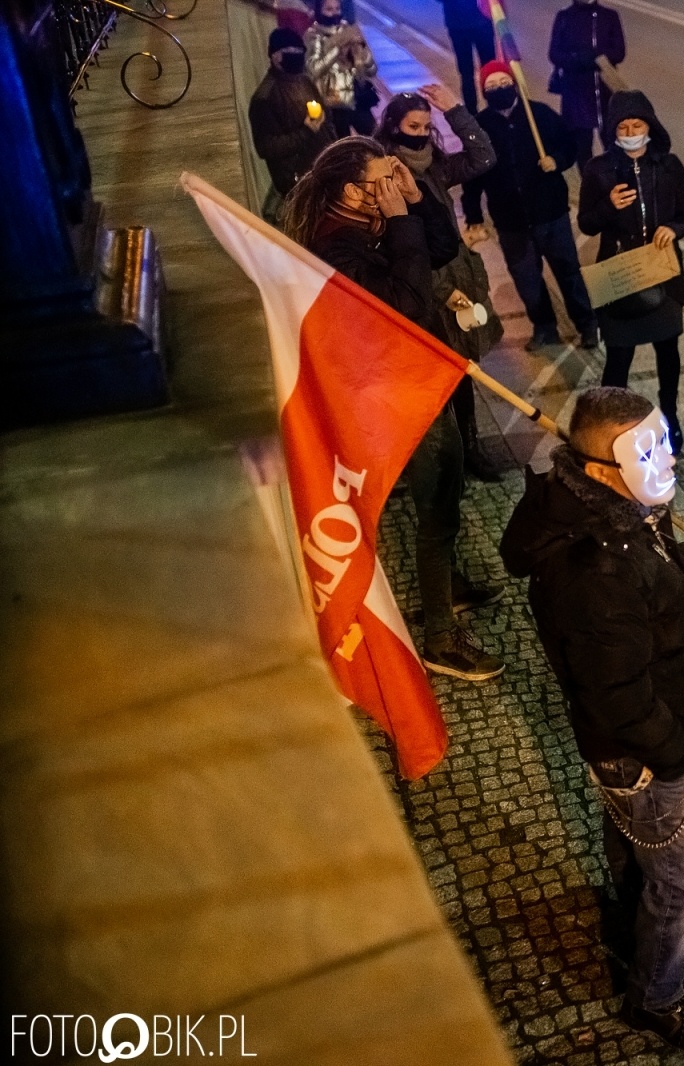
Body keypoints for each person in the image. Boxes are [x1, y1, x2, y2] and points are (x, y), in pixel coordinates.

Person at [500, 387, 684, 1053]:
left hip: (650, 740)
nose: (667, 457)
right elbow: (616, 689)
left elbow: (652, 590)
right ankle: (656, 998)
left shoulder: (623, 511)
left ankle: (658, 944)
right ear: (603, 469)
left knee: (641, 857)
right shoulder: (593, 564)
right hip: (640, 753)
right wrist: (671, 757)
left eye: (664, 438)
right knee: (683, 882)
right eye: (647, 449)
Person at [282, 137, 505, 683]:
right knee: (437, 507)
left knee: (446, 495)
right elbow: (405, 303)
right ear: (352, 192)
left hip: (417, 378)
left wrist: (417, 201)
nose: (389, 187)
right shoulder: (335, 248)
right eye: (381, 179)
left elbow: (442, 250)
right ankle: (439, 637)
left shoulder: (368, 225)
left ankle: (446, 587)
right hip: (393, 392)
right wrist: (401, 218)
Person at [376, 84, 505, 481]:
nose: (419, 132)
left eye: (425, 125)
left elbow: (484, 156)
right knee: (432, 381)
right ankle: (437, 457)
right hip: (427, 293)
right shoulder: (385, 173)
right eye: (412, 125)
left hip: (458, 279)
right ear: (394, 126)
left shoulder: (434, 166)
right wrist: (441, 291)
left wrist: (455, 111)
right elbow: (399, 247)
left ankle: (469, 448)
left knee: (464, 371)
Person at [578, 91, 684, 450]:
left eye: (637, 124)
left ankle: (670, 417)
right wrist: (609, 207)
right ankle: (612, 425)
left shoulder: (669, 165)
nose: (631, 131)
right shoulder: (598, 169)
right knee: (618, 355)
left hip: (662, 271)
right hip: (620, 273)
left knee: (668, 352)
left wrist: (674, 229)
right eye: (623, 126)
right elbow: (586, 224)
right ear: (613, 131)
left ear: (650, 126)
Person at [463, 60, 599, 351]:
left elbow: (569, 145)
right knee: (527, 279)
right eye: (491, 86)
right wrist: (473, 214)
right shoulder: (481, 126)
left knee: (568, 272)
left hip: (550, 212)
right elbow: (472, 175)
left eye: (503, 83)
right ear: (483, 91)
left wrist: (558, 161)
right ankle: (544, 327)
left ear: (514, 83)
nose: (499, 89)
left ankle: (587, 325)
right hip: (510, 220)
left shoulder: (539, 115)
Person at [248, 27, 335, 221]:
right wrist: (306, 131)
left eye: (299, 52)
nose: (296, 57)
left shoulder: (303, 79)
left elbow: (324, 113)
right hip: (299, 179)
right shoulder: (265, 97)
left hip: (323, 166)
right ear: (275, 56)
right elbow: (266, 147)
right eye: (290, 53)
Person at [548, 0, 625, 164]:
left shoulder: (609, 16)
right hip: (576, 92)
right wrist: (578, 59)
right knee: (582, 145)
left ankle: (616, 179)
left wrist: (595, 57)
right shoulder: (564, 17)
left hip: (605, 90)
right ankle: (590, 183)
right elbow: (554, 54)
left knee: (612, 141)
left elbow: (619, 52)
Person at [304, 0, 378, 138]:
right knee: (342, 149)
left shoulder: (351, 31)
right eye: (329, 9)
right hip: (334, 104)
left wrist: (362, 50)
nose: (334, 13)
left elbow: (372, 70)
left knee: (376, 140)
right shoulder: (314, 35)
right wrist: (338, 49)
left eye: (337, 9)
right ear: (319, 11)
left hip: (358, 99)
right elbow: (313, 69)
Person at [434, 0, 495, 112]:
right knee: (481, 70)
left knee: (473, 72)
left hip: (464, 24)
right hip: (473, 23)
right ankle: (488, 109)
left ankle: (478, 112)